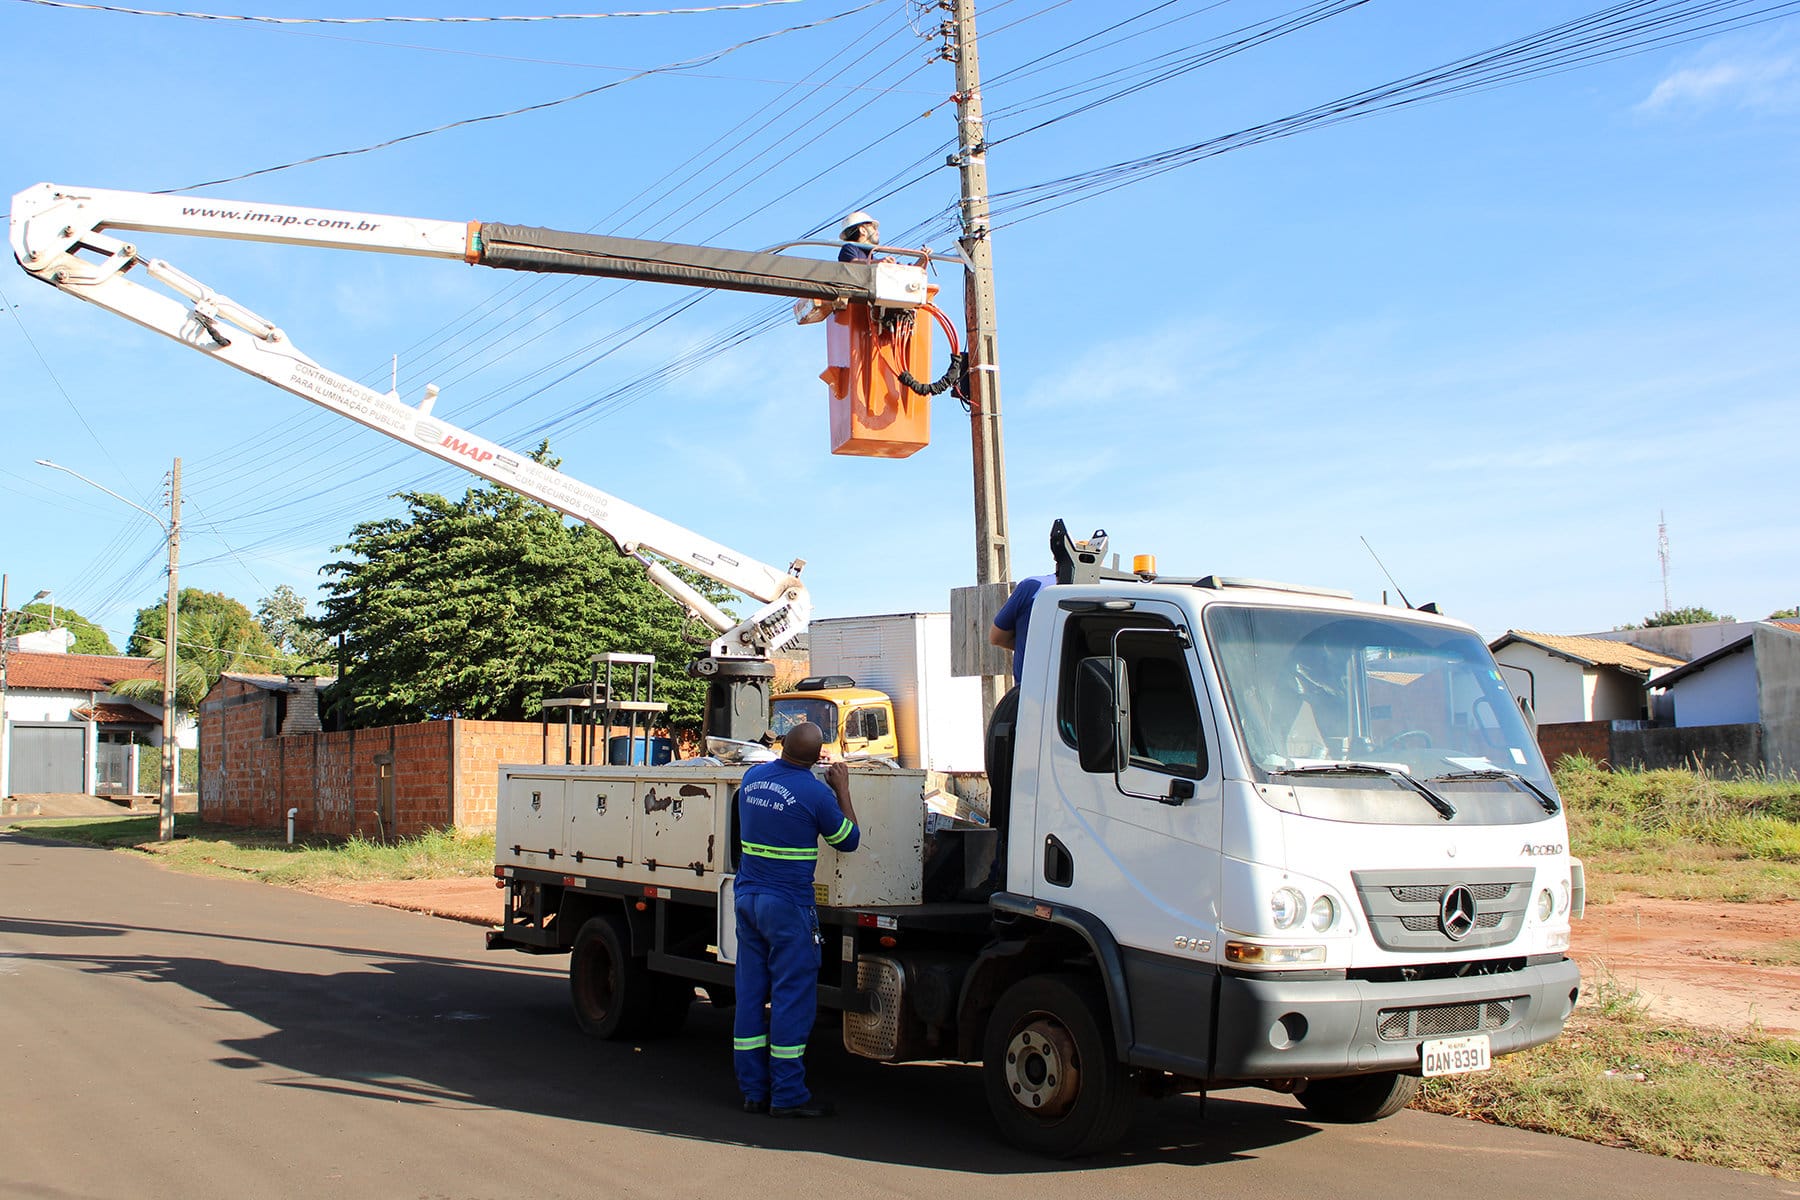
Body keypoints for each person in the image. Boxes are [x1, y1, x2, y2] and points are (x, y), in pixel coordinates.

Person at [733, 720, 860, 1118]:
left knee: (750, 996)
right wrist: (842, 787)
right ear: (819, 758)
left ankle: (754, 1092)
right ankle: (787, 1095)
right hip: (787, 907)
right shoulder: (815, 794)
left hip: (747, 898)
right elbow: (849, 840)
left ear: (783, 745)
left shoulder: (752, 777)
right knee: (791, 998)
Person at [989, 572, 1056, 686]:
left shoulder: (1033, 587)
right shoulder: (1096, 591)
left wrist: (1037, 647)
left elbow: (997, 638)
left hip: (1032, 694)